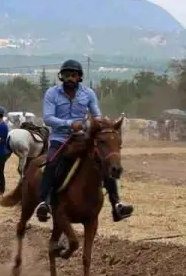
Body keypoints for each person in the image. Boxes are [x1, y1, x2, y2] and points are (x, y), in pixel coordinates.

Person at [35, 59, 134, 224]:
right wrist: (69, 124)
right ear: (61, 76)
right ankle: (44, 202)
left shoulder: (88, 94)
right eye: (66, 75)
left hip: (84, 137)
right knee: (51, 163)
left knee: (104, 161)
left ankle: (116, 204)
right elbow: (48, 118)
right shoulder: (52, 93)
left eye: (73, 75)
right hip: (60, 138)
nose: (69, 78)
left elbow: (97, 116)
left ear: (79, 77)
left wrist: (99, 123)